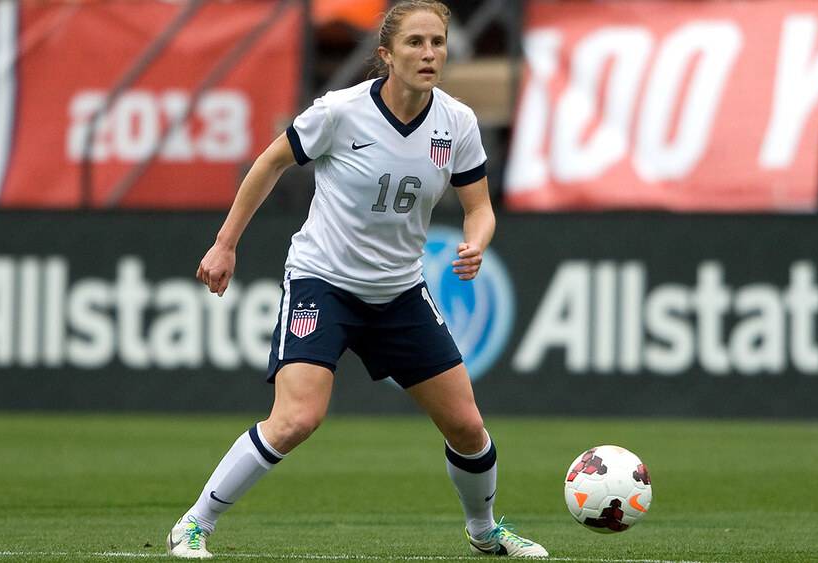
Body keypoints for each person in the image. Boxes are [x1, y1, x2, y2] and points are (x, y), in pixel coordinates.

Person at [166, 1, 548, 559]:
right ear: (386, 55)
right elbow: (271, 162)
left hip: (399, 293)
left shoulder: (457, 122)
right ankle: (195, 524)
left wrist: (477, 241)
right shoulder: (341, 111)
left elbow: (480, 207)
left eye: (437, 42)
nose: (429, 53)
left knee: (468, 428)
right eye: (415, 43)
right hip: (323, 282)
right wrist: (225, 244)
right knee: (297, 418)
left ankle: (485, 530)